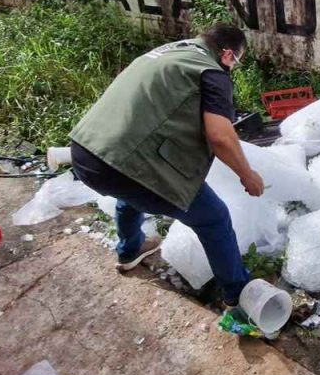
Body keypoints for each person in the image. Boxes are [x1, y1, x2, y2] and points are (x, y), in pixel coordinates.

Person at [68, 23, 265, 307]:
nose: (233, 67)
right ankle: (236, 294)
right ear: (227, 55)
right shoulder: (211, 72)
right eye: (236, 61)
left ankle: (130, 249)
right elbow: (221, 137)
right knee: (214, 218)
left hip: (85, 151)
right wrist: (247, 175)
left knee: (132, 191)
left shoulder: (169, 52)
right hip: (122, 164)